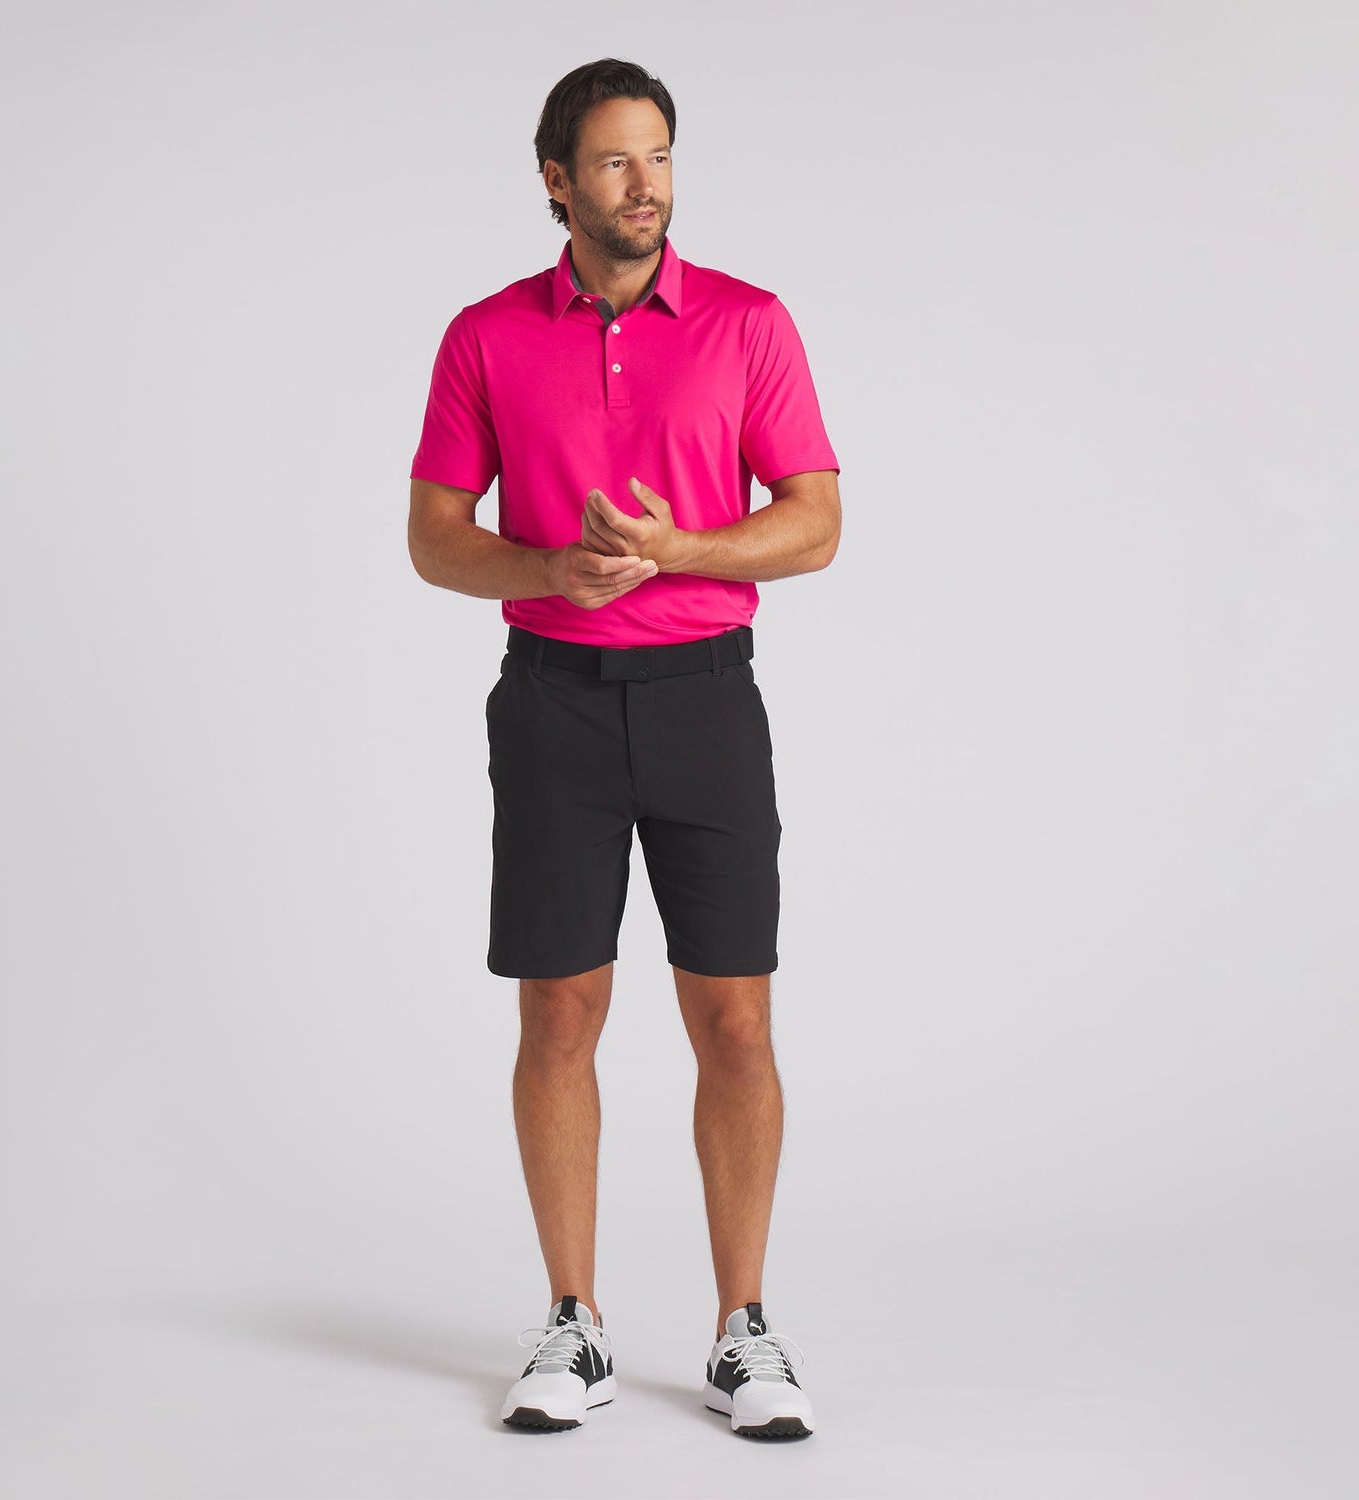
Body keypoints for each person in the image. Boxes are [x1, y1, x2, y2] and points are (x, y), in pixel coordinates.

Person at [407, 57, 840, 1440]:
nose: (644, 183)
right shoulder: (485, 336)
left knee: (736, 1022)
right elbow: (433, 539)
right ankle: (574, 1322)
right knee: (558, 1013)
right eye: (612, 160)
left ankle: (743, 1330)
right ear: (557, 180)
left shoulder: (748, 322)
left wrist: (679, 550)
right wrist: (552, 568)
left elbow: (816, 521)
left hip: (708, 698)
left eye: (658, 155)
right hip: (555, 704)